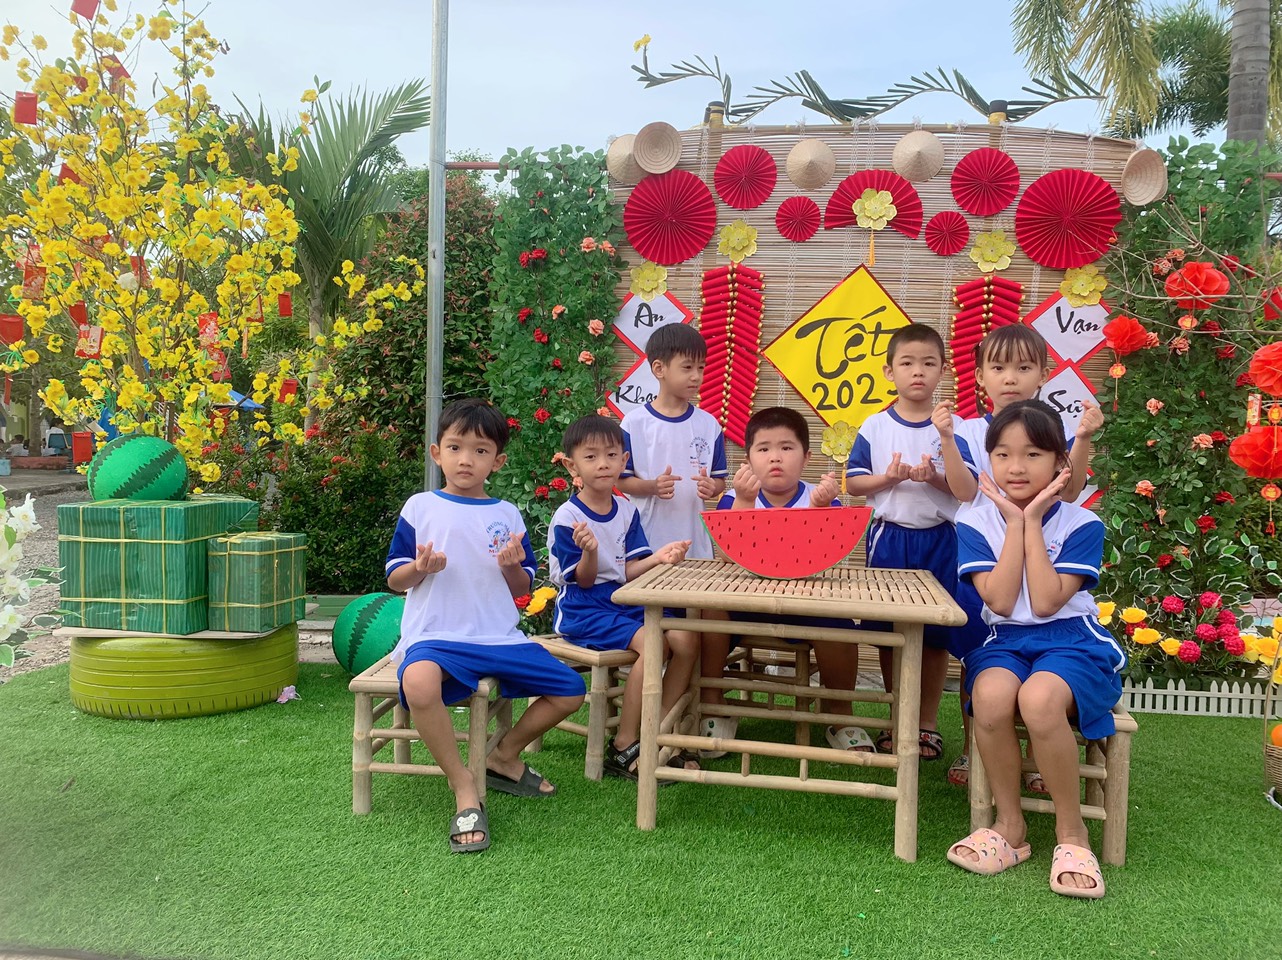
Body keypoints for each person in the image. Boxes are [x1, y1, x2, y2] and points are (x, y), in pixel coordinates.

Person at [386, 398, 586, 855]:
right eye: (455, 447)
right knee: (418, 683)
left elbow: (522, 587)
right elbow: (396, 578)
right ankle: (463, 785)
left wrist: (512, 566)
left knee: (571, 689)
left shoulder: (507, 514)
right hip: (436, 637)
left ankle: (503, 756)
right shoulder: (420, 507)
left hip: (499, 637)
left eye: (480, 451)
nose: (466, 460)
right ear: (437, 453)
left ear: (497, 461)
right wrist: (419, 568)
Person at [947, 400, 1121, 900]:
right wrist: (1014, 523)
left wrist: (1033, 519)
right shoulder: (975, 523)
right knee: (990, 697)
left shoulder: (1081, 524)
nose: (1016, 467)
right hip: (1006, 640)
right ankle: (1010, 826)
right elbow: (1001, 602)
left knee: (1040, 700)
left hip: (1072, 640)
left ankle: (1072, 833)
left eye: (1032, 454)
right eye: (1002, 454)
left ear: (1060, 463)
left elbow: (1045, 602)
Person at [948, 326, 1104, 789]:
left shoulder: (1058, 432)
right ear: (980, 375)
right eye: (998, 367)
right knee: (980, 657)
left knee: (1040, 688)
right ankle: (971, 748)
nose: (1010, 378)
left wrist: (1082, 439)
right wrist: (943, 437)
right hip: (987, 552)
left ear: (1044, 374)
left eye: (1023, 367)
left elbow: (1069, 491)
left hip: (1043, 551)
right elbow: (964, 490)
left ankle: (1039, 758)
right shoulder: (968, 431)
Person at [700, 406, 870, 755]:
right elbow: (730, 554)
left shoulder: (821, 497)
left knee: (841, 624)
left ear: (806, 457)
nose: (775, 457)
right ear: (748, 459)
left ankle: (840, 713)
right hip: (744, 602)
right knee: (708, 613)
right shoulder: (733, 498)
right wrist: (745, 500)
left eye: (786, 447)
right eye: (763, 448)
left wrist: (822, 510)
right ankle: (712, 703)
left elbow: (829, 553)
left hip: (808, 604)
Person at [845, 324, 978, 761]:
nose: (917, 371)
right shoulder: (875, 425)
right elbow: (854, 483)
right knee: (891, 632)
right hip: (890, 539)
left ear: (943, 370)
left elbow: (966, 489)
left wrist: (933, 477)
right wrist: (890, 477)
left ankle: (926, 724)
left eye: (928, 363)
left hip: (942, 541)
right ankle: (896, 721)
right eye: (907, 363)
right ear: (889, 371)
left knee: (936, 634)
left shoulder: (953, 427)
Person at [548, 414, 699, 779]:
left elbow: (627, 570)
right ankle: (624, 743)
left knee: (686, 638)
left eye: (612, 455)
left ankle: (656, 733)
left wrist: (659, 557)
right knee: (654, 643)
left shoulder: (627, 510)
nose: (603, 463)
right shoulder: (568, 517)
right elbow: (583, 581)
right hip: (583, 607)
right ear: (572, 466)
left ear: (624, 460)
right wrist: (589, 552)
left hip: (621, 599)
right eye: (591, 456)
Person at [616, 322, 728, 558]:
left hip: (695, 542)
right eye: (687, 367)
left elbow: (719, 481)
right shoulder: (634, 423)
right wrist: (652, 487)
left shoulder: (709, 425)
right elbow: (621, 480)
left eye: (701, 367)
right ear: (659, 368)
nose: (696, 376)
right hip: (647, 541)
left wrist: (712, 487)